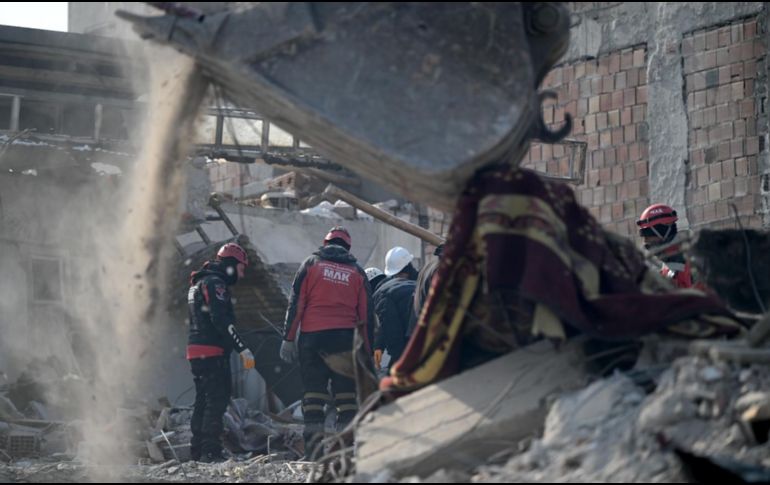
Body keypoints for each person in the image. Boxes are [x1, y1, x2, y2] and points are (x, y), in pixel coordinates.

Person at [279, 226, 372, 458]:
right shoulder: (358, 272)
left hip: (313, 339)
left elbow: (296, 305)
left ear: (325, 243)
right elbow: (366, 317)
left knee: (313, 398)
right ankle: (346, 454)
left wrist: (288, 339)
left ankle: (314, 454)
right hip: (344, 340)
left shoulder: (310, 264)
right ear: (347, 247)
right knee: (347, 399)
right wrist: (368, 353)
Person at [187, 242, 256, 462]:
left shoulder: (198, 283)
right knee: (217, 399)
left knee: (202, 399)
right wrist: (242, 348)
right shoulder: (216, 283)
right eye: (241, 268)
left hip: (195, 350)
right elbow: (221, 319)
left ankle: (196, 450)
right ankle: (210, 451)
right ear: (231, 264)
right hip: (212, 351)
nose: (241, 275)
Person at [373, 247, 418, 373]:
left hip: (406, 350)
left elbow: (391, 327)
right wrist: (379, 345)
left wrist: (399, 361)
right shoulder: (419, 284)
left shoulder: (383, 293)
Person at [636, 204, 696, 289]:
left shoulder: (690, 259)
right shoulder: (667, 265)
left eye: (648, 236)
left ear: (663, 231)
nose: (645, 242)